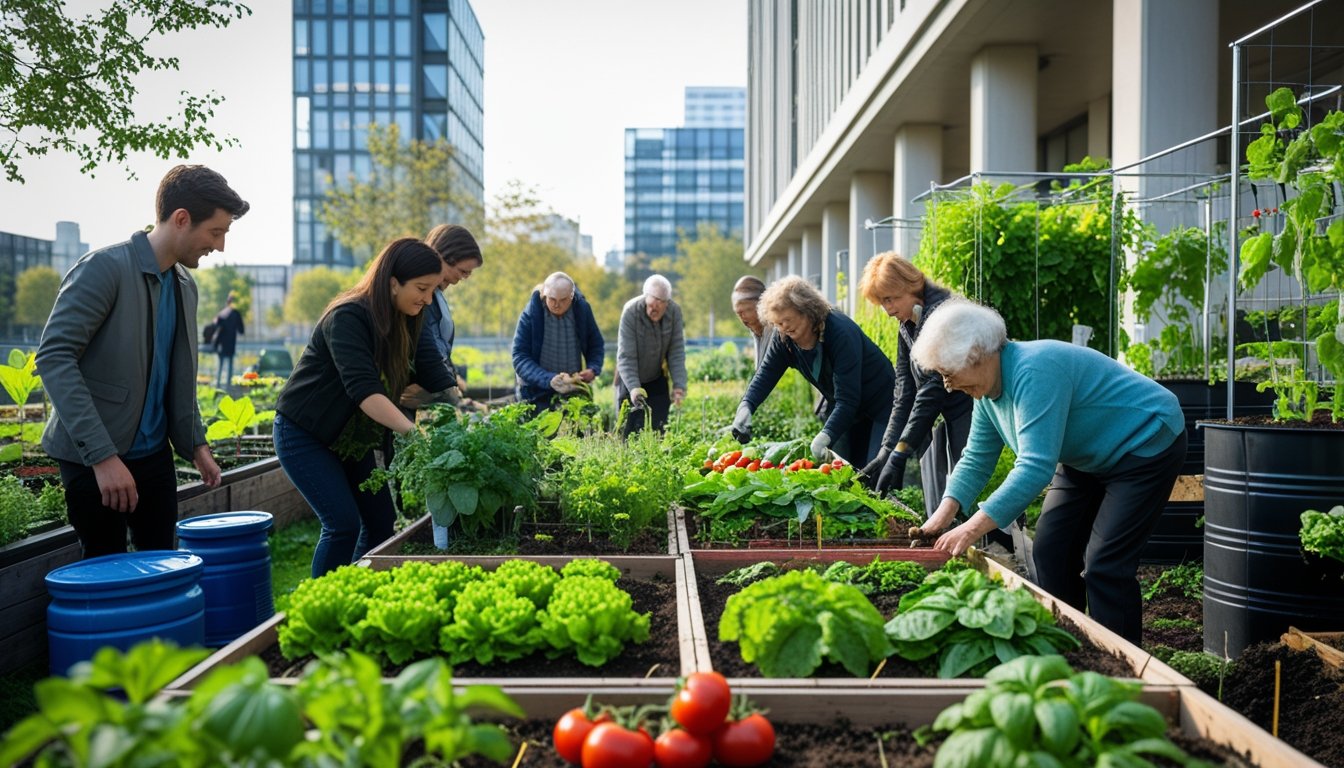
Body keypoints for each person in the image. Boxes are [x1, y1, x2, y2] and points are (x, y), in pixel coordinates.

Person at [910, 299, 1187, 643]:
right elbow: (977, 457)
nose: (948, 386)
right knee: (1051, 550)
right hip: (1087, 455)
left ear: (978, 355)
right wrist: (941, 516)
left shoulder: (1033, 371)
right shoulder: (988, 393)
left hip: (1143, 442)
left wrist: (969, 529)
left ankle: (1123, 667)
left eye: (949, 373)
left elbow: (1035, 467)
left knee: (1105, 566)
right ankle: (1072, 643)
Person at [37, 164, 247, 559]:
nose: (219, 246)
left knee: (162, 566)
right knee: (106, 573)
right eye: (216, 232)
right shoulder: (103, 269)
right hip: (92, 460)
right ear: (181, 219)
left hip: (153, 459)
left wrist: (195, 444)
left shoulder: (185, 286)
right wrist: (102, 457)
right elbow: (54, 357)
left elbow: (177, 377)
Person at [274, 237, 456, 577]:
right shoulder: (347, 316)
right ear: (392, 283)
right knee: (342, 523)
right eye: (421, 288)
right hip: (305, 433)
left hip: (350, 438)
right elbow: (364, 391)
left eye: (433, 290)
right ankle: (322, 609)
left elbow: (432, 368)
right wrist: (415, 435)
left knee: (380, 525)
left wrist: (457, 403)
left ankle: (358, 591)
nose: (428, 299)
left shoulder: (409, 317)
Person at [730, 275, 895, 466]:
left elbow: (848, 399)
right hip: (847, 410)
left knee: (877, 470)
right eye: (778, 323)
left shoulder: (840, 333)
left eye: (787, 320)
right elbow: (765, 374)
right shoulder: (784, 337)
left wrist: (825, 437)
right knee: (849, 473)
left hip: (882, 405)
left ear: (807, 311)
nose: (783, 327)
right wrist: (746, 406)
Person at [856, 253, 972, 508]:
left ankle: (1003, 541)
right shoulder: (907, 323)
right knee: (948, 492)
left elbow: (932, 387)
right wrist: (887, 449)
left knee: (970, 485)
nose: (887, 311)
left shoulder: (942, 314)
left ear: (908, 287)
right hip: (944, 414)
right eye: (882, 303)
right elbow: (904, 390)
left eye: (890, 300)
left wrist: (901, 452)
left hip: (971, 408)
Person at [399, 224, 482, 410]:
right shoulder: (418, 301)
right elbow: (426, 349)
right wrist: (452, 397)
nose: (463, 278)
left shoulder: (435, 298)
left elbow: (440, 348)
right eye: (462, 271)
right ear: (442, 258)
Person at [512, 271, 605, 411]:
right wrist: (549, 379)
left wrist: (593, 368)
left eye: (563, 300)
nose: (557, 305)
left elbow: (595, 344)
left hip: (572, 388)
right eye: (552, 299)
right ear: (544, 295)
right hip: (536, 390)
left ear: (572, 296)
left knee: (577, 429)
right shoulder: (531, 314)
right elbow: (519, 357)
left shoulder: (582, 309)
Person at [615, 274, 686, 435]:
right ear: (645, 296)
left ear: (667, 303)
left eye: (662, 305)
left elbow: (676, 352)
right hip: (630, 378)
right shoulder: (631, 311)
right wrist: (634, 387)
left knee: (658, 429)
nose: (656, 310)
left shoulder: (674, 312)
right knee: (628, 431)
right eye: (653, 305)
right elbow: (626, 356)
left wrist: (679, 385)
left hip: (656, 376)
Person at [731, 275, 776, 368]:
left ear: (760, 306)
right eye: (738, 314)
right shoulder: (756, 332)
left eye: (745, 311)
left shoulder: (778, 332)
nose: (742, 318)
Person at [212, 293, 245, 387]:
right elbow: (241, 330)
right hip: (231, 344)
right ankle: (228, 386)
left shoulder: (222, 313)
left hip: (221, 344)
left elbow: (215, 326)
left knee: (220, 365)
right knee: (230, 366)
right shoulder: (236, 314)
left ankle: (218, 385)